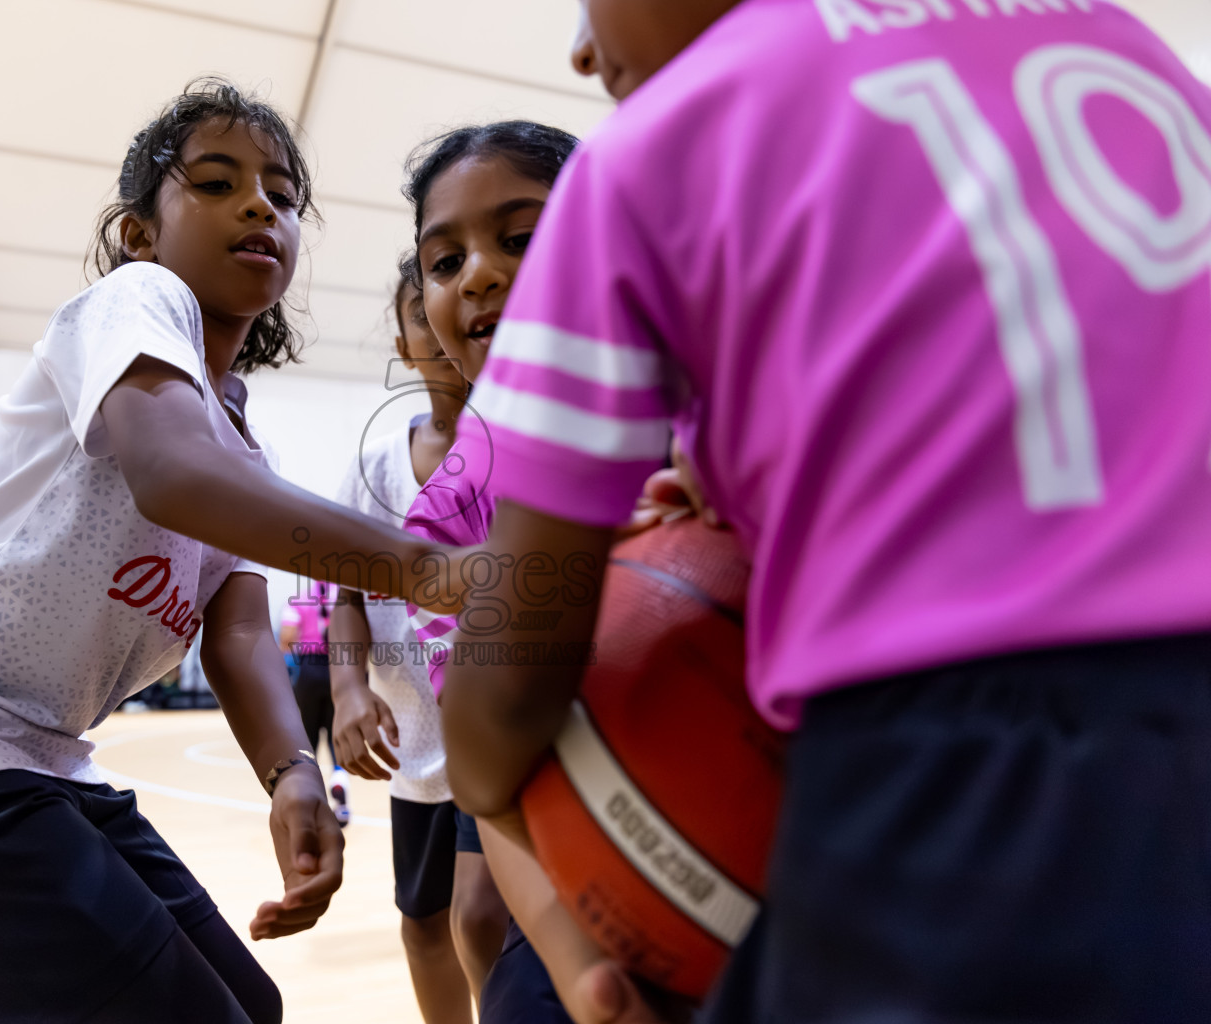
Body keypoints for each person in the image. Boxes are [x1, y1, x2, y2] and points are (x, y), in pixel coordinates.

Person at [440, 2, 1211, 1022]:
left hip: (962, 779)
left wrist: (485, 771)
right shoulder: (1130, 49)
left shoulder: (665, 137)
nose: (583, 48)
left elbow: (509, 679)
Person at [0, 78, 467, 1024]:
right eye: (217, 182)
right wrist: (429, 567)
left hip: (24, 756)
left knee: (251, 1004)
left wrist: (292, 775)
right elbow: (173, 476)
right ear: (139, 234)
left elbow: (240, 637)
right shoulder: (135, 300)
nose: (259, 205)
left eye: (283, 196)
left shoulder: (245, 455)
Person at [399, 121, 581, 1024]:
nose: (478, 274)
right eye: (445, 262)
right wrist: (575, 961)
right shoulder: (446, 512)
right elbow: (490, 773)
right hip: (564, 837)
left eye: (520, 238)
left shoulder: (715, 397)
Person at [327, 264, 472, 1024]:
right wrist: (349, 690)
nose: (440, 328)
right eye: (422, 314)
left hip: (504, 740)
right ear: (402, 340)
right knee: (423, 925)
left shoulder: (516, 456)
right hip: (415, 749)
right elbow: (345, 599)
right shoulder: (372, 466)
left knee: (489, 921)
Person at [280, 582, 353, 825]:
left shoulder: (299, 599)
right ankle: (341, 797)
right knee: (337, 738)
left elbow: (286, 639)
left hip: (309, 672)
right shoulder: (342, 595)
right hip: (337, 671)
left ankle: (308, 802)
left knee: (307, 741)